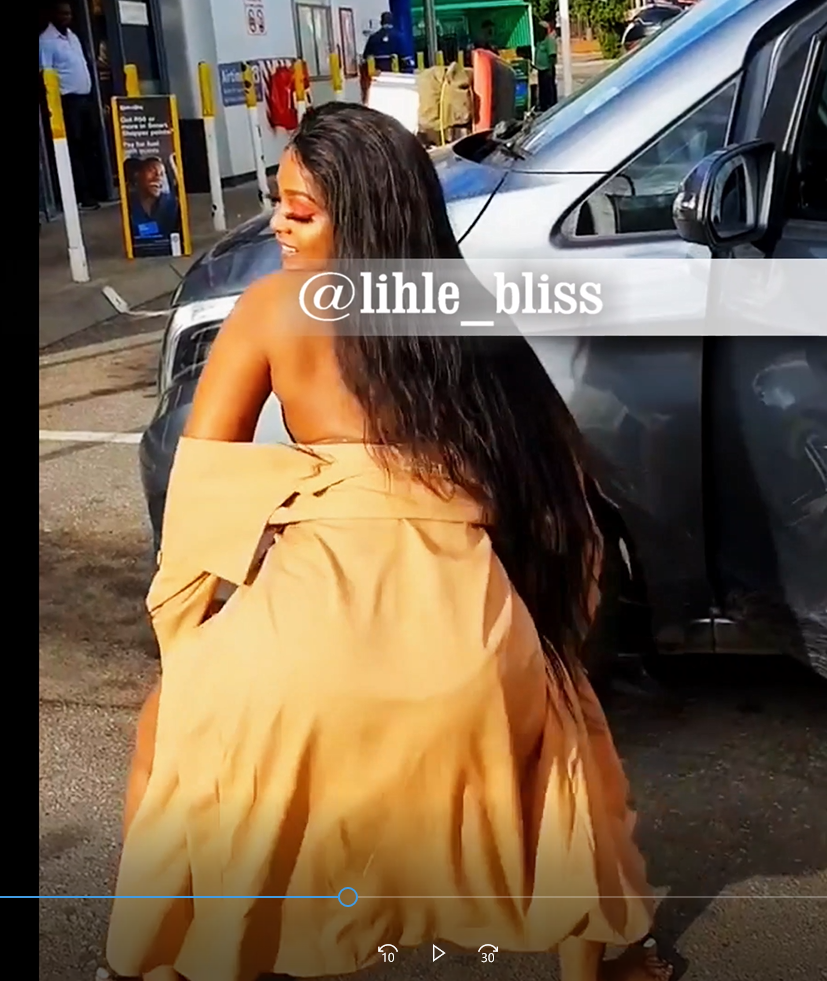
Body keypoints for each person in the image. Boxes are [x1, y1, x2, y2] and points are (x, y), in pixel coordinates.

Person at [103, 102, 673, 981]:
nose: (278, 224)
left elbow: (201, 487)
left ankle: (146, 962)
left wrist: (188, 639)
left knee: (166, 732)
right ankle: (612, 958)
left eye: (300, 210)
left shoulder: (272, 308)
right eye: (278, 201)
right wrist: (555, 638)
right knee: (570, 740)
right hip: (471, 657)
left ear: (363, 217)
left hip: (296, 663)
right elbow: (567, 490)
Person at [38, 0, 101, 210]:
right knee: (74, 149)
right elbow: (45, 73)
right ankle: (82, 195)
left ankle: (95, 189)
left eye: (69, 14)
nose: (67, 17)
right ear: (54, 15)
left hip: (85, 99)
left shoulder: (72, 36)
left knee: (90, 146)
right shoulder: (46, 41)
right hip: (67, 101)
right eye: (63, 14)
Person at [125, 155, 181, 242]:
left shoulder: (172, 205)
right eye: (152, 171)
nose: (158, 177)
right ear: (137, 175)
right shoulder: (127, 205)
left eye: (162, 174)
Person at [534, 19, 559, 111]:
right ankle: (543, 105)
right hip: (541, 69)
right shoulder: (539, 41)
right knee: (542, 88)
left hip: (547, 69)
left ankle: (550, 105)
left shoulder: (549, 40)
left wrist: (550, 69)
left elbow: (552, 55)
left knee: (549, 88)